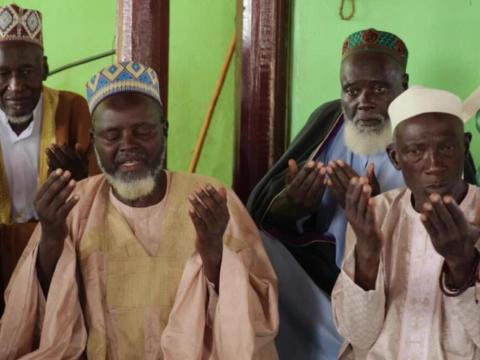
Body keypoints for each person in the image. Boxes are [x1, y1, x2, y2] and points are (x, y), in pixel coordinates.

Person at [0, 61, 278, 359]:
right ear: (94, 141)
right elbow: (35, 316)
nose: (127, 145)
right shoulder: (76, 204)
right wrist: (52, 237)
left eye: (143, 131)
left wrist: (214, 252)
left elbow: (255, 318)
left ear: (164, 130)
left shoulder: (211, 197)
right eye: (112, 135)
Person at [247, 28, 415, 359]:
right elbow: (265, 210)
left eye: (379, 89)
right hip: (325, 286)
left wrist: (379, 214)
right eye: (352, 90)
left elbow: (451, 227)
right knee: (249, 246)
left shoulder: (426, 131)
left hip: (400, 294)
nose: (363, 102)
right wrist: (291, 205)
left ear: (404, 85)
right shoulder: (329, 120)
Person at [333, 86, 480, 359]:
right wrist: (367, 252)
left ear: (465, 145)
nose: (433, 164)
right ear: (395, 157)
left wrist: (463, 265)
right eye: (416, 151)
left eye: (446, 147)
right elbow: (358, 335)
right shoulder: (376, 213)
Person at [0, 3, 96, 310]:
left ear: (45, 68)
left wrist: (80, 183)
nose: (15, 86)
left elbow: (97, 198)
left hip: (55, 247)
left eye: (27, 72)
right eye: (2, 73)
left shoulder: (72, 110)